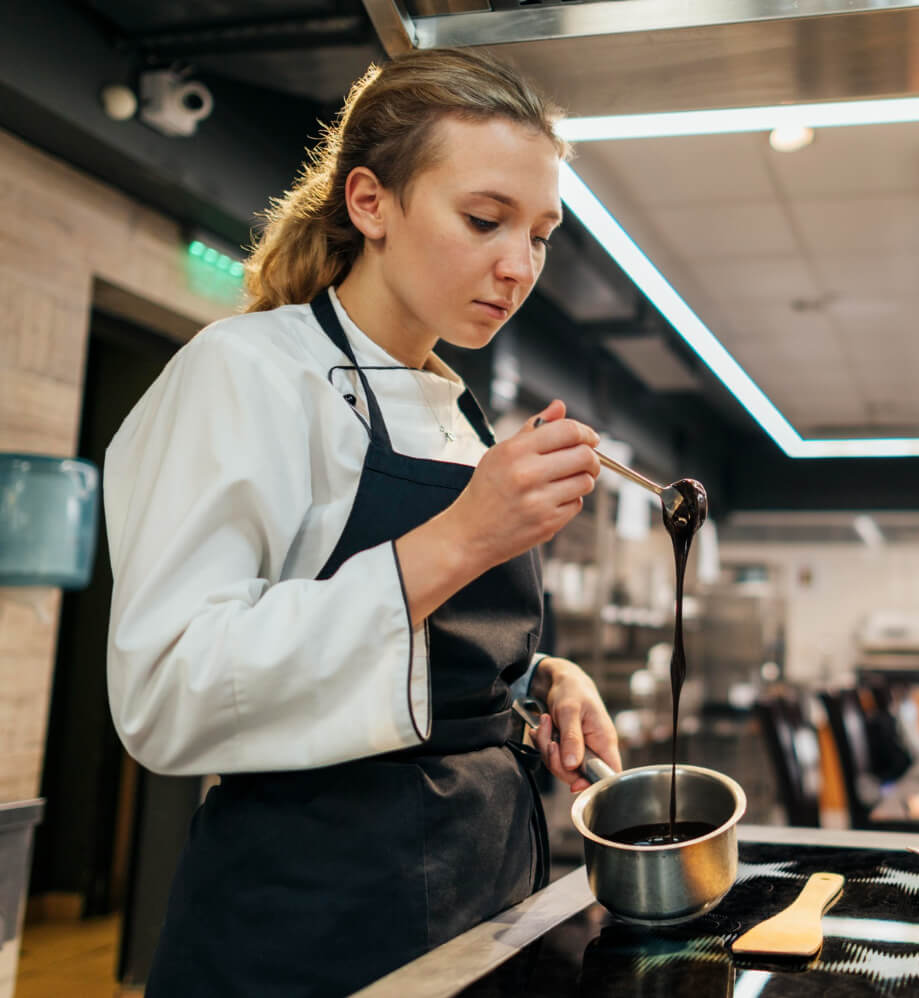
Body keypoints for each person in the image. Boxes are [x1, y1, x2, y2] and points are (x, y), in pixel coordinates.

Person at [103, 49, 621, 996]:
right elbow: (168, 692)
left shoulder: (454, 407)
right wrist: (465, 534)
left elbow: (405, 642)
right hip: (314, 927)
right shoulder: (247, 373)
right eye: (483, 219)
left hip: (486, 897)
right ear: (371, 202)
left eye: (542, 234)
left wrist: (536, 680)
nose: (518, 267)